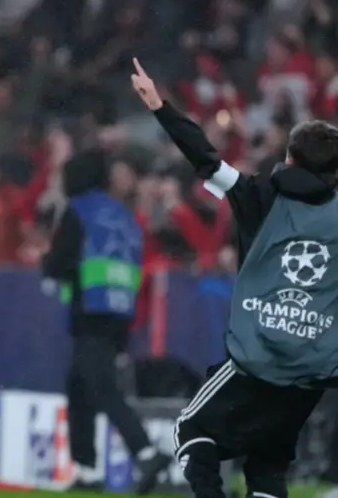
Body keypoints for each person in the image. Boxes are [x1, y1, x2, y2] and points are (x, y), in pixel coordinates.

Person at [131, 58, 338, 498]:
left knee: (190, 429)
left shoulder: (256, 195)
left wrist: (160, 107)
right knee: (266, 465)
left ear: (288, 157)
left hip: (257, 356)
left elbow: (206, 158)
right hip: (312, 369)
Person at [43, 148, 172, 494]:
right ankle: (86, 470)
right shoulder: (123, 215)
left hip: (89, 309)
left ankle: (145, 452)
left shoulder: (78, 211)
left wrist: (47, 262)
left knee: (101, 386)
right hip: (120, 310)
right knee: (79, 385)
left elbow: (59, 263)